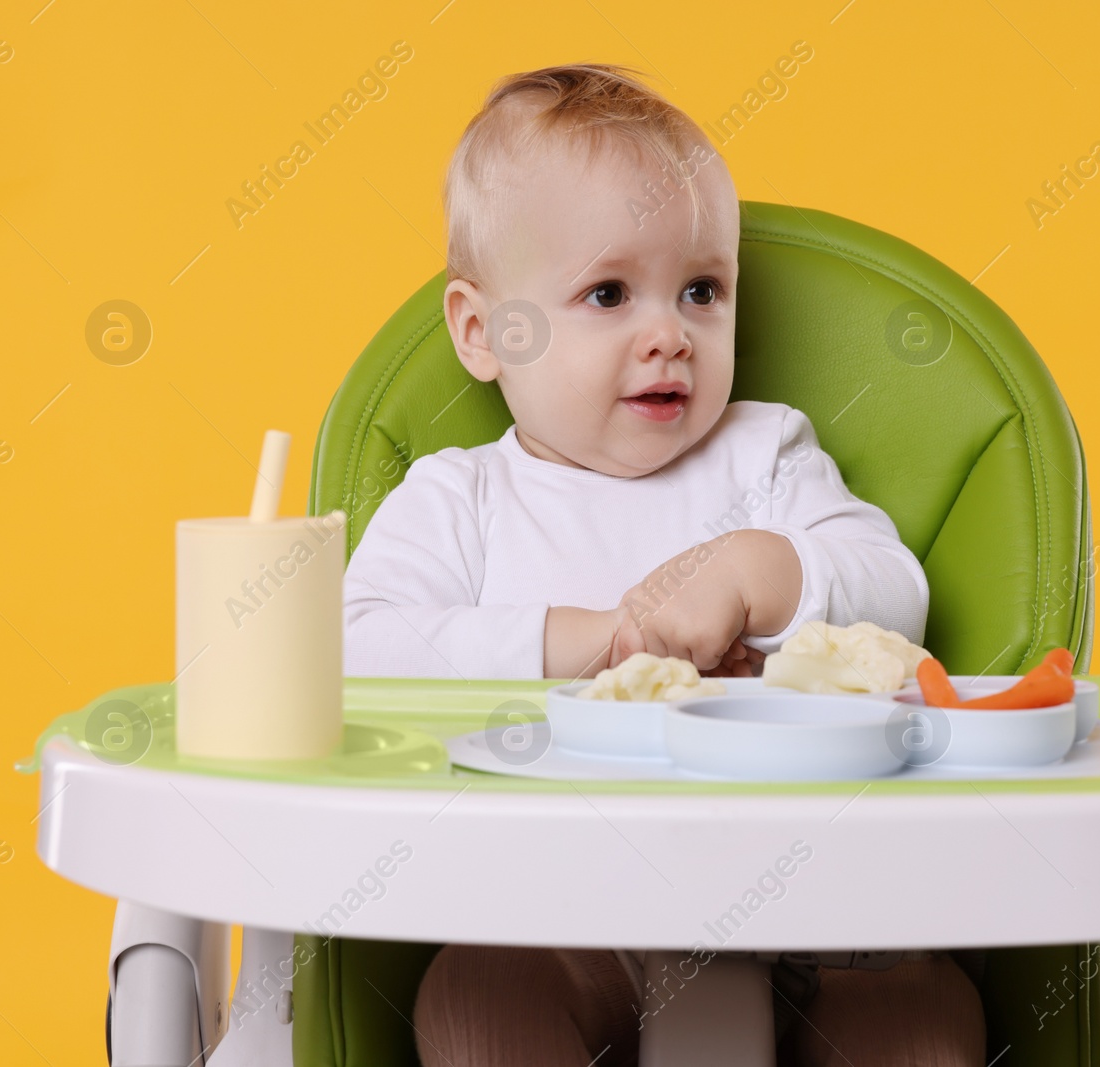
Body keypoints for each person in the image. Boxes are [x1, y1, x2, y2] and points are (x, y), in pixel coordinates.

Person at [341, 64, 986, 1065]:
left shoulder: (763, 455)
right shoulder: (458, 498)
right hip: (552, 920)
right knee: (475, 1004)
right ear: (485, 330)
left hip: (815, 912)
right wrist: (591, 641)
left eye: (701, 289)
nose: (668, 335)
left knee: (918, 1015)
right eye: (607, 291)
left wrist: (755, 570)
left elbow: (898, 595)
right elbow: (356, 649)